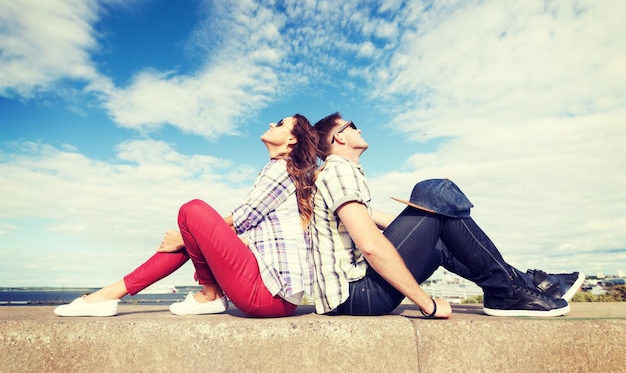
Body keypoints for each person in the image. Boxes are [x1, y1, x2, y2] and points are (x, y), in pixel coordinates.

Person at [310, 112, 583, 318]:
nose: (360, 129)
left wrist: (440, 215)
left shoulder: (340, 173)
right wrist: (426, 304)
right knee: (435, 191)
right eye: (352, 126)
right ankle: (515, 288)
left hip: (354, 295)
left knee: (439, 220)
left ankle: (517, 286)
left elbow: (386, 225)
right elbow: (371, 246)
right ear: (339, 137)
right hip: (359, 295)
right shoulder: (339, 171)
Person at [54, 114, 319, 318]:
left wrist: (185, 235)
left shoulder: (281, 168)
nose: (273, 123)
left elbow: (243, 218)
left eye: (281, 123)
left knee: (191, 210)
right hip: (275, 297)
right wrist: (193, 241)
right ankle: (112, 295)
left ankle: (208, 295)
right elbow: (250, 234)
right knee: (192, 228)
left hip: (267, 296)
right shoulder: (285, 170)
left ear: (292, 139)